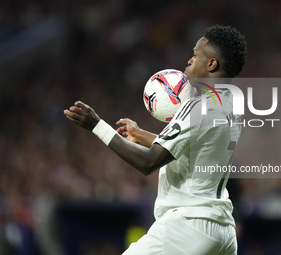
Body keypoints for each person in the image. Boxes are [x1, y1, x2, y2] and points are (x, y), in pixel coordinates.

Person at [64, 25, 247, 255]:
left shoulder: (197, 106)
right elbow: (193, 151)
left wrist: (97, 126)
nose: (188, 62)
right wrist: (141, 136)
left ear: (211, 64)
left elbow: (149, 163)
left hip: (189, 224)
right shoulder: (230, 104)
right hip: (222, 231)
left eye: (195, 55)